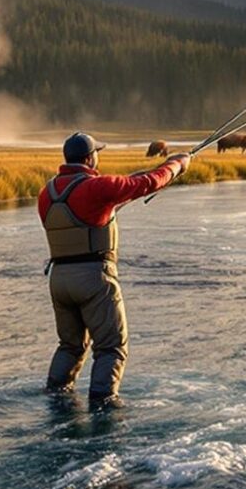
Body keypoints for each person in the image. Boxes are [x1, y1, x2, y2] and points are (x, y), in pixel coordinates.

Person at [38, 131, 189, 406]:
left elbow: (107, 198)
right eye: (97, 153)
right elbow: (148, 182)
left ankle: (55, 398)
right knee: (111, 347)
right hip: (94, 278)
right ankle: (103, 404)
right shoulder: (97, 188)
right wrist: (177, 165)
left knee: (70, 346)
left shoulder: (47, 193)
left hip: (59, 280)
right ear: (89, 157)